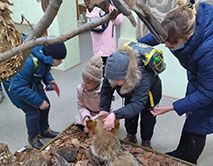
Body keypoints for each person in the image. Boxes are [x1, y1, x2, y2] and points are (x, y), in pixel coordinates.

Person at [138, 0, 213, 164]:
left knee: (199, 122)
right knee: (191, 115)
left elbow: (207, 93)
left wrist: (172, 106)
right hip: (197, 78)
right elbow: (159, 35)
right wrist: (136, 46)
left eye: (171, 44)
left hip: (209, 88)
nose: (166, 45)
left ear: (188, 38)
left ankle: (188, 159)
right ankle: (181, 151)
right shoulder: (180, 27)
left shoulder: (208, 50)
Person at [3, 41, 67, 150]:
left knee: (46, 106)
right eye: (59, 60)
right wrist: (39, 102)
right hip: (15, 87)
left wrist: (49, 81)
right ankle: (33, 136)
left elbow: (44, 70)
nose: (60, 62)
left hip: (31, 83)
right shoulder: (28, 62)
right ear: (51, 57)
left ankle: (44, 130)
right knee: (33, 112)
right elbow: (18, 87)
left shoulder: (45, 58)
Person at [99, 43, 162, 148]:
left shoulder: (143, 75)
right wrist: (104, 109)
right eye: (112, 81)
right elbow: (106, 89)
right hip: (129, 91)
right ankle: (131, 136)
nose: (114, 83)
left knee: (148, 120)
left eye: (117, 81)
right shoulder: (112, 69)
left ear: (128, 75)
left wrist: (114, 115)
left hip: (149, 96)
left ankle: (146, 142)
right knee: (129, 116)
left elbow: (138, 104)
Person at [86, 4, 124, 76]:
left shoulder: (90, 5)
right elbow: (119, 21)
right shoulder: (109, 6)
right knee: (108, 67)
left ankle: (99, 82)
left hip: (96, 44)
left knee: (98, 66)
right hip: (108, 45)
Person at [74, 56, 103, 132]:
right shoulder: (80, 89)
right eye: (83, 80)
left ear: (96, 83)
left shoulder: (103, 91)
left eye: (88, 82)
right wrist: (86, 117)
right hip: (88, 113)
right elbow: (81, 106)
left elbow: (107, 110)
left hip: (100, 114)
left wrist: (93, 121)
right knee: (78, 120)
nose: (84, 84)